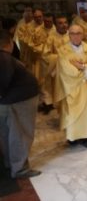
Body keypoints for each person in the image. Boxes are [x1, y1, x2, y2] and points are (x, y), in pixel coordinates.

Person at [54, 25, 87, 148]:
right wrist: (84, 68)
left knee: (86, 113)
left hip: (86, 86)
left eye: (78, 33)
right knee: (72, 113)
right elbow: (65, 67)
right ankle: (73, 137)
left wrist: (82, 67)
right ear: (69, 35)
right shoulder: (63, 50)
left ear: (82, 34)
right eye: (72, 33)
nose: (75, 36)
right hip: (70, 87)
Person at [0, 30, 41, 178]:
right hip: (18, 103)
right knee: (21, 135)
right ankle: (20, 168)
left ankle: (10, 162)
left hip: (11, 102)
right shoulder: (4, 58)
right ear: (9, 44)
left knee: (7, 134)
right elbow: (2, 81)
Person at [41, 15, 70, 114]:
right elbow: (46, 55)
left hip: (71, 69)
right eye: (60, 23)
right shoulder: (51, 38)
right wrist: (59, 58)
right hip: (58, 69)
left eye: (65, 22)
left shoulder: (72, 36)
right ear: (56, 25)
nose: (63, 25)